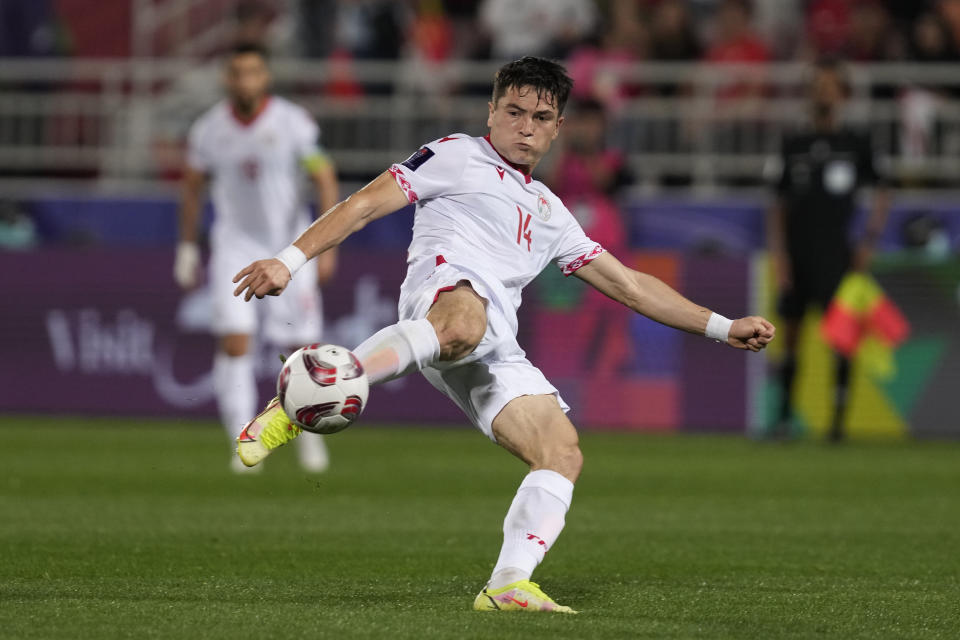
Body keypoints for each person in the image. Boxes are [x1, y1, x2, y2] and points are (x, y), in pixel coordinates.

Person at [232, 57, 775, 613]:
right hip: (443, 295)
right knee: (466, 321)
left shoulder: (551, 212)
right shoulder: (456, 155)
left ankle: (508, 584)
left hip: (493, 345)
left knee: (561, 451)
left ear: (556, 127)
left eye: (540, 117)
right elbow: (366, 203)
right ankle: (307, 394)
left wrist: (722, 326)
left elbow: (630, 286)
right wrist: (288, 260)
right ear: (491, 112)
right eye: (513, 112)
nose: (525, 126)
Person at [175, 42, 339, 473]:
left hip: (291, 246)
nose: (244, 80)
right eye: (236, 72)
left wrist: (325, 245)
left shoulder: (293, 122)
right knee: (234, 342)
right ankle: (242, 441)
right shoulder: (209, 129)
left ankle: (305, 436)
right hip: (235, 245)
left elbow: (324, 177)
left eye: (252, 71)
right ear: (226, 78)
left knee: (298, 349)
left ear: (264, 76)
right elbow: (191, 187)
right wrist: (188, 246)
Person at [767, 58, 891, 442]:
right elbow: (777, 204)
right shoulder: (793, 144)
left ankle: (838, 423)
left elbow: (883, 191)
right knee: (790, 335)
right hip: (798, 253)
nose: (824, 92)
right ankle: (785, 418)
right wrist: (780, 255)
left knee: (843, 337)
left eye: (831, 86)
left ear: (843, 94)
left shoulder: (857, 143)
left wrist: (868, 240)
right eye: (819, 85)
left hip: (838, 253)